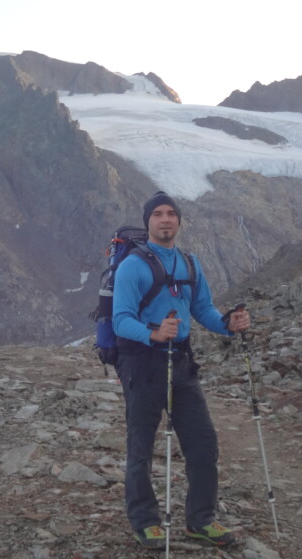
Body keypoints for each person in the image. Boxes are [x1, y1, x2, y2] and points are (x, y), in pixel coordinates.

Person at [111, 191, 251, 549]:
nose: (165, 219)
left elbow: (202, 309)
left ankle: (200, 520)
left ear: (179, 221)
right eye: (157, 213)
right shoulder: (132, 266)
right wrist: (154, 333)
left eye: (171, 213)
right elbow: (120, 320)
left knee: (203, 444)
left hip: (182, 363)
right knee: (141, 448)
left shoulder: (190, 263)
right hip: (142, 365)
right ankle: (145, 522)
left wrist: (228, 325)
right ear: (148, 221)